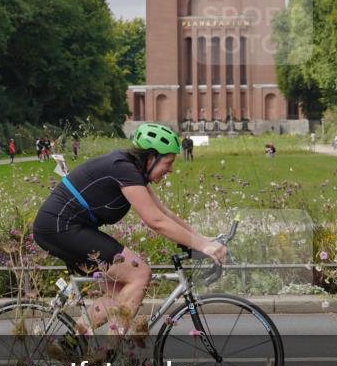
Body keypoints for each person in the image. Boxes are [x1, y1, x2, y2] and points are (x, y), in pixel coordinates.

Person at [32, 123, 226, 334]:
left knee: (119, 292)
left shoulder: (131, 171)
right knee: (140, 273)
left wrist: (204, 239)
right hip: (60, 226)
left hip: (65, 227)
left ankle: (71, 346)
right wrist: (204, 246)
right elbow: (155, 221)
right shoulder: (123, 169)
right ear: (151, 158)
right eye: (168, 162)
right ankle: (113, 353)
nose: (170, 169)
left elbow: (165, 214)